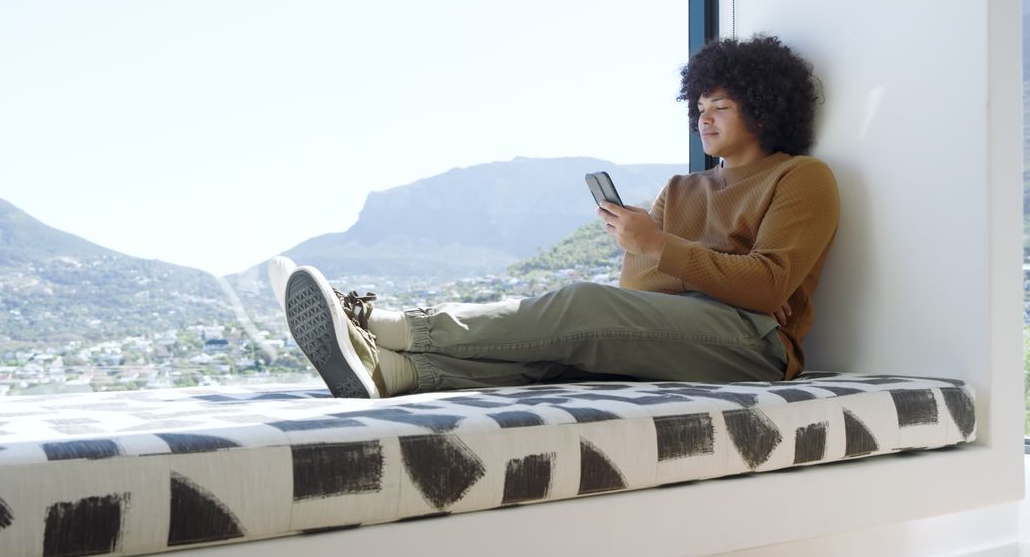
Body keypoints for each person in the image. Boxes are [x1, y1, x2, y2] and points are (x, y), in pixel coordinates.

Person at [270, 35, 840, 399]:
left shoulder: (800, 178)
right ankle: (393, 373)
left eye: (721, 107)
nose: (704, 120)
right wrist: (707, 269)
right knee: (569, 344)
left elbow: (765, 289)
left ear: (764, 111)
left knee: (581, 306)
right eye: (698, 107)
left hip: (755, 348)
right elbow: (639, 287)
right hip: (689, 331)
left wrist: (669, 250)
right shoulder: (680, 188)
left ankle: (383, 325)